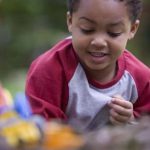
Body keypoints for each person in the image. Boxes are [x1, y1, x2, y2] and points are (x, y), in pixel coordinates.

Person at [25, 0, 150, 131]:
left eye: (114, 33)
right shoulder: (48, 71)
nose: (99, 42)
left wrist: (131, 121)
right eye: (87, 29)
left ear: (132, 29)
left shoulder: (143, 80)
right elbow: (43, 132)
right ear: (70, 21)